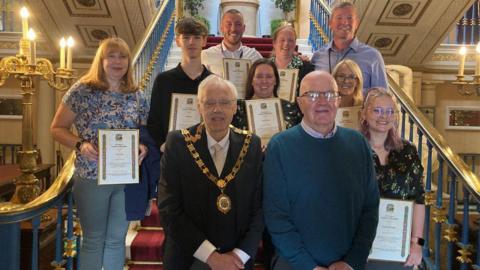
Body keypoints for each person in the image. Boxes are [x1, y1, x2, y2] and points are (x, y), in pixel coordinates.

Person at [263, 71, 379, 270]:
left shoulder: (358, 143)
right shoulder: (280, 146)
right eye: (313, 95)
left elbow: (370, 208)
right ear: (300, 102)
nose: (323, 102)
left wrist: (352, 262)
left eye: (330, 94)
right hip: (294, 264)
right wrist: (309, 267)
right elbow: (276, 216)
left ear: (338, 101)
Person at [50, 37, 149, 269]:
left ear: (128, 61)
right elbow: (56, 128)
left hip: (126, 178)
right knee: (93, 240)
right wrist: (80, 144)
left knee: (116, 241)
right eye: (111, 56)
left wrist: (143, 146)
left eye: (122, 56)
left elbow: (144, 133)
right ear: (101, 60)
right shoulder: (82, 90)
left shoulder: (137, 94)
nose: (117, 61)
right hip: (91, 175)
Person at [158, 75, 264, 270]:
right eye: (209, 103)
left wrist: (238, 256)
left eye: (224, 102)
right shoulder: (178, 143)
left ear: (235, 107)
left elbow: (259, 208)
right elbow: (168, 208)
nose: (217, 109)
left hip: (237, 260)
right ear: (199, 107)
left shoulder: (252, 145)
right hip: (188, 257)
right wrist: (212, 257)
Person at [360, 88, 425, 270]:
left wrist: (416, 243)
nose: (384, 116)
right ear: (365, 112)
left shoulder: (408, 151)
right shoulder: (352, 148)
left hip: (397, 246)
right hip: (359, 244)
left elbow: (418, 198)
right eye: (377, 110)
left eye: (390, 111)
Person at [147, 17, 211, 148]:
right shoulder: (163, 81)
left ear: (204, 41)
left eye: (197, 37)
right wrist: (161, 144)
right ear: (177, 41)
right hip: (171, 153)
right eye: (186, 37)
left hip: (206, 154)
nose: (191, 42)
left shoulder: (213, 83)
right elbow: (154, 121)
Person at [311, 2, 387, 94]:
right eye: (339, 18)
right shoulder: (318, 56)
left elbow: (382, 95)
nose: (344, 22)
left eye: (349, 18)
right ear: (330, 23)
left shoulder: (373, 57)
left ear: (357, 23)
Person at [232, 58, 302, 130]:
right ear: (251, 80)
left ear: (275, 81)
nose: (264, 81)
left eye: (269, 76)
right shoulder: (238, 108)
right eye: (259, 76)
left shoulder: (290, 108)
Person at [201, 9, 263, 77]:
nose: (233, 29)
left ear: (243, 28)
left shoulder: (254, 56)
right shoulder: (206, 55)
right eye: (229, 24)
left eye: (238, 24)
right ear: (221, 28)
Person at [270, 24, 314, 97]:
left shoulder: (307, 68)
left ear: (295, 44)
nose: (286, 44)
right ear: (274, 43)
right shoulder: (265, 67)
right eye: (282, 40)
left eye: (290, 40)